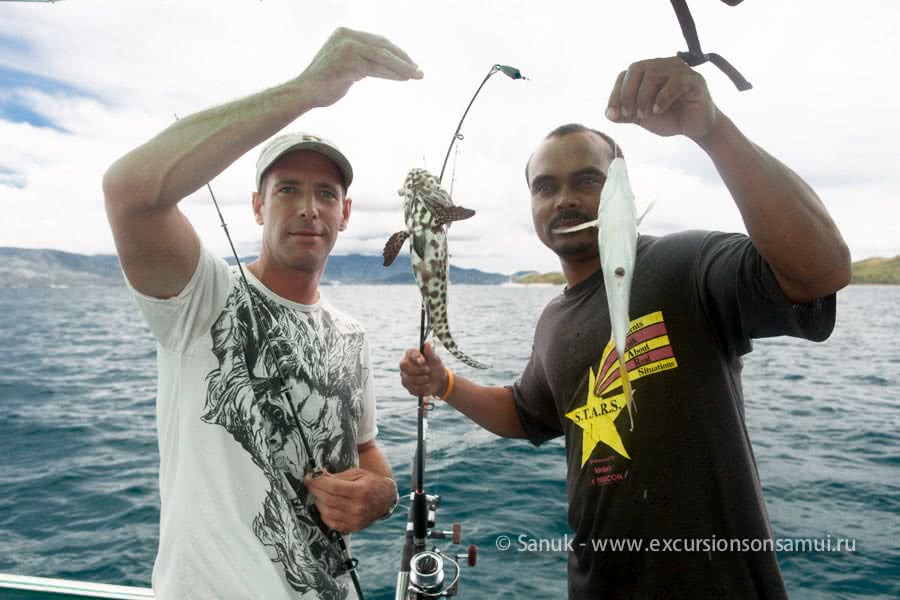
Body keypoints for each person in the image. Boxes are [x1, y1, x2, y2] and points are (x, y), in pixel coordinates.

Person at [399, 56, 851, 599]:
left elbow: (821, 271)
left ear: (622, 188)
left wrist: (713, 130)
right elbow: (527, 413)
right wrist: (444, 385)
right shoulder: (552, 322)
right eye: (545, 187)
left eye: (587, 179)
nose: (564, 198)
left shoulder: (685, 263)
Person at [103, 28, 422, 600]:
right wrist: (307, 90)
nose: (308, 208)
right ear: (256, 205)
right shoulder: (199, 296)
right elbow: (128, 190)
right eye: (287, 190)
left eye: (326, 193)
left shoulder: (351, 333)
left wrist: (384, 493)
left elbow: (366, 445)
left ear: (346, 213)